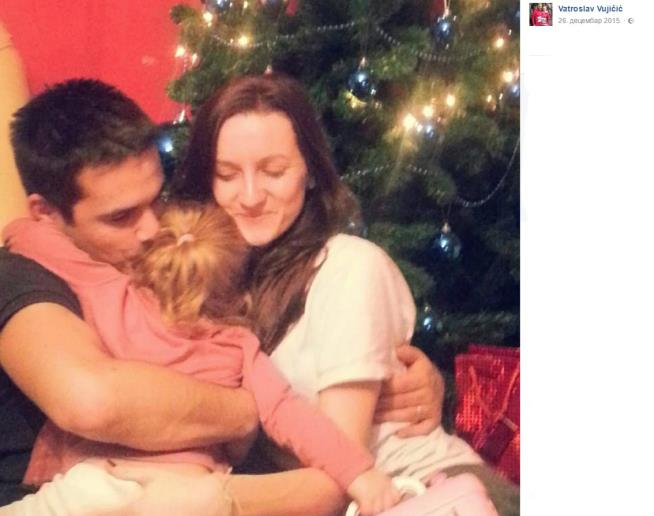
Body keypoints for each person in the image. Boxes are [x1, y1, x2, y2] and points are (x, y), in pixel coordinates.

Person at [0, 78, 443, 514]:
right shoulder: (26, 273)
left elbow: (330, 481)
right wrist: (248, 410)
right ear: (46, 215)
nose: (152, 228)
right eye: (121, 217)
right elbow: (92, 402)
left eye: (157, 199)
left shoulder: (205, 261)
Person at [173, 73, 520, 515]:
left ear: (310, 173)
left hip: (424, 491)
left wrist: (198, 499)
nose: (250, 195)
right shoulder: (199, 277)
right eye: (227, 175)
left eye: (274, 172)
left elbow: (338, 476)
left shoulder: (348, 267)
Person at [2, 202, 400, 515]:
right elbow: (291, 416)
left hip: (91, 478)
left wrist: (21, 225)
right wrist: (360, 474)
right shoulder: (238, 346)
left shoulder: (110, 291)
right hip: (178, 492)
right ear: (236, 291)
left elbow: (33, 238)